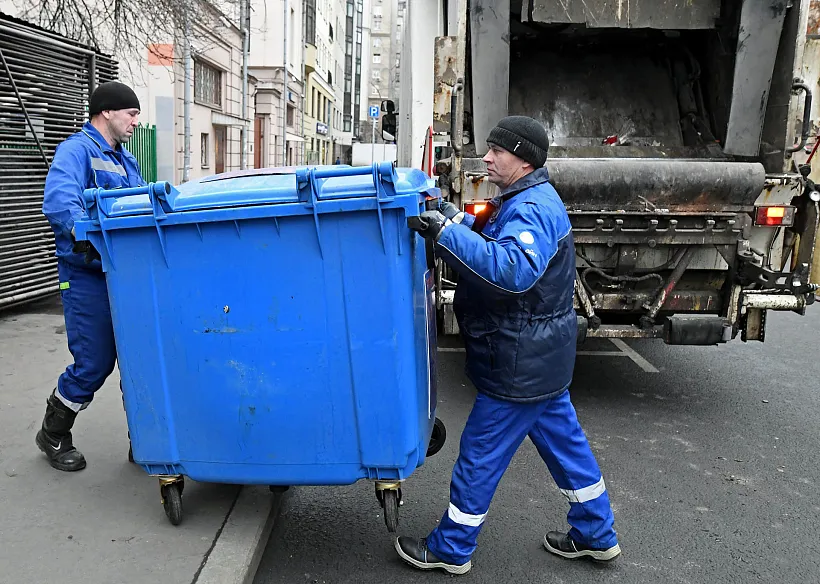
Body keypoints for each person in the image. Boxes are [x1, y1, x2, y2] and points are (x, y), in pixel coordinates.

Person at [399, 116, 620, 574]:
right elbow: (498, 241)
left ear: (523, 160)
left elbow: (512, 271)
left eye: (497, 151)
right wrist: (455, 219)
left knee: (480, 454)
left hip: (519, 363)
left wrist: (445, 234)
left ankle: (451, 547)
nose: (486, 158)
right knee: (568, 449)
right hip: (540, 358)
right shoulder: (526, 199)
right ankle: (596, 533)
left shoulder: (532, 208)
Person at [37, 81, 145, 472]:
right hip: (86, 276)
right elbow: (59, 201)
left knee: (140, 357)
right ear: (107, 112)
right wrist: (86, 239)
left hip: (125, 274)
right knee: (94, 363)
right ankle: (53, 433)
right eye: (131, 113)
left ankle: (148, 439)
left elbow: (140, 206)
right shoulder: (76, 150)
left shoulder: (126, 160)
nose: (136, 121)